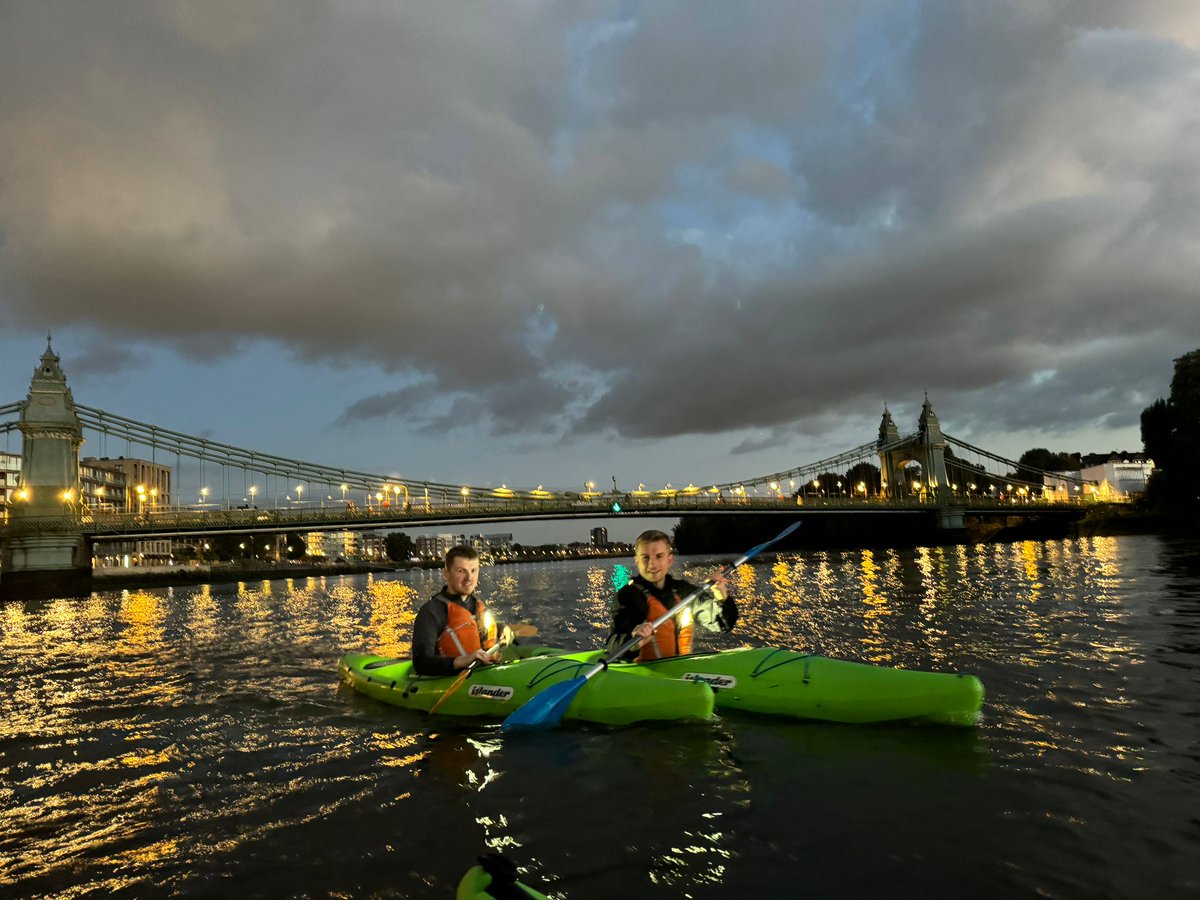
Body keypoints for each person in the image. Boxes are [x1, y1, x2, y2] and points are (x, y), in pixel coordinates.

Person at [606, 529, 737, 662]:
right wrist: (633, 639)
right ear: (637, 561)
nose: (652, 563)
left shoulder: (683, 591)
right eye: (645, 557)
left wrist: (720, 593)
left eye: (659, 556)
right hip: (644, 673)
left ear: (669, 560)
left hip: (680, 669)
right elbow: (612, 644)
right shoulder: (627, 596)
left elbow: (722, 624)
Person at [411, 545, 513, 676]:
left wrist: (502, 629)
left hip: (486, 672)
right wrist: (463, 660)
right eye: (461, 571)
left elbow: (477, 628)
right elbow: (421, 663)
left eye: (473, 570)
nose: (469, 578)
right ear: (446, 573)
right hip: (450, 679)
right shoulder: (431, 612)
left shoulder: (476, 604)